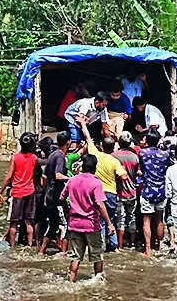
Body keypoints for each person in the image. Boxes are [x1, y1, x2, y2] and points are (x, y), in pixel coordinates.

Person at [59, 154, 115, 282]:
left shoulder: (72, 180)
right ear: (95, 168)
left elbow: (62, 198)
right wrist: (109, 223)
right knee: (97, 255)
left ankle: (70, 282)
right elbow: (100, 204)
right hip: (91, 225)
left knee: (75, 257)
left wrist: (69, 213)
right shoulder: (96, 183)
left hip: (74, 224)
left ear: (82, 166)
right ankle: (98, 283)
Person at [78, 118, 127, 252]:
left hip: (97, 193)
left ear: (101, 146)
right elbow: (124, 176)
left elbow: (88, 138)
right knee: (110, 219)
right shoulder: (114, 161)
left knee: (99, 221)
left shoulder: (95, 154)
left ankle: (101, 246)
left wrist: (83, 123)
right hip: (111, 193)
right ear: (112, 148)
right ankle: (114, 246)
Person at [0, 132, 45, 247]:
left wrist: (0, 192)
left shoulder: (15, 157)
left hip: (17, 193)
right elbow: (44, 163)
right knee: (29, 222)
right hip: (30, 192)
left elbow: (8, 177)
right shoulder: (34, 158)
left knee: (14, 223)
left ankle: (13, 247)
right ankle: (29, 246)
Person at [39, 131, 72, 255]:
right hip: (56, 198)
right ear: (68, 142)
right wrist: (72, 179)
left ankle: (41, 252)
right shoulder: (60, 157)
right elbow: (58, 175)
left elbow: (45, 176)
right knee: (65, 224)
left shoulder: (53, 155)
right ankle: (63, 254)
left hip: (49, 196)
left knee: (53, 226)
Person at [138, 129, 170, 257]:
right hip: (161, 191)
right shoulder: (165, 154)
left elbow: (142, 168)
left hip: (147, 191)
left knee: (146, 221)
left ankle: (148, 249)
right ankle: (159, 246)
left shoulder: (142, 153)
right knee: (159, 220)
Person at [112, 131, 139, 249]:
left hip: (119, 192)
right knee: (132, 217)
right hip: (132, 192)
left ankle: (120, 246)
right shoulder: (135, 157)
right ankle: (132, 243)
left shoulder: (114, 156)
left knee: (120, 220)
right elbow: (137, 173)